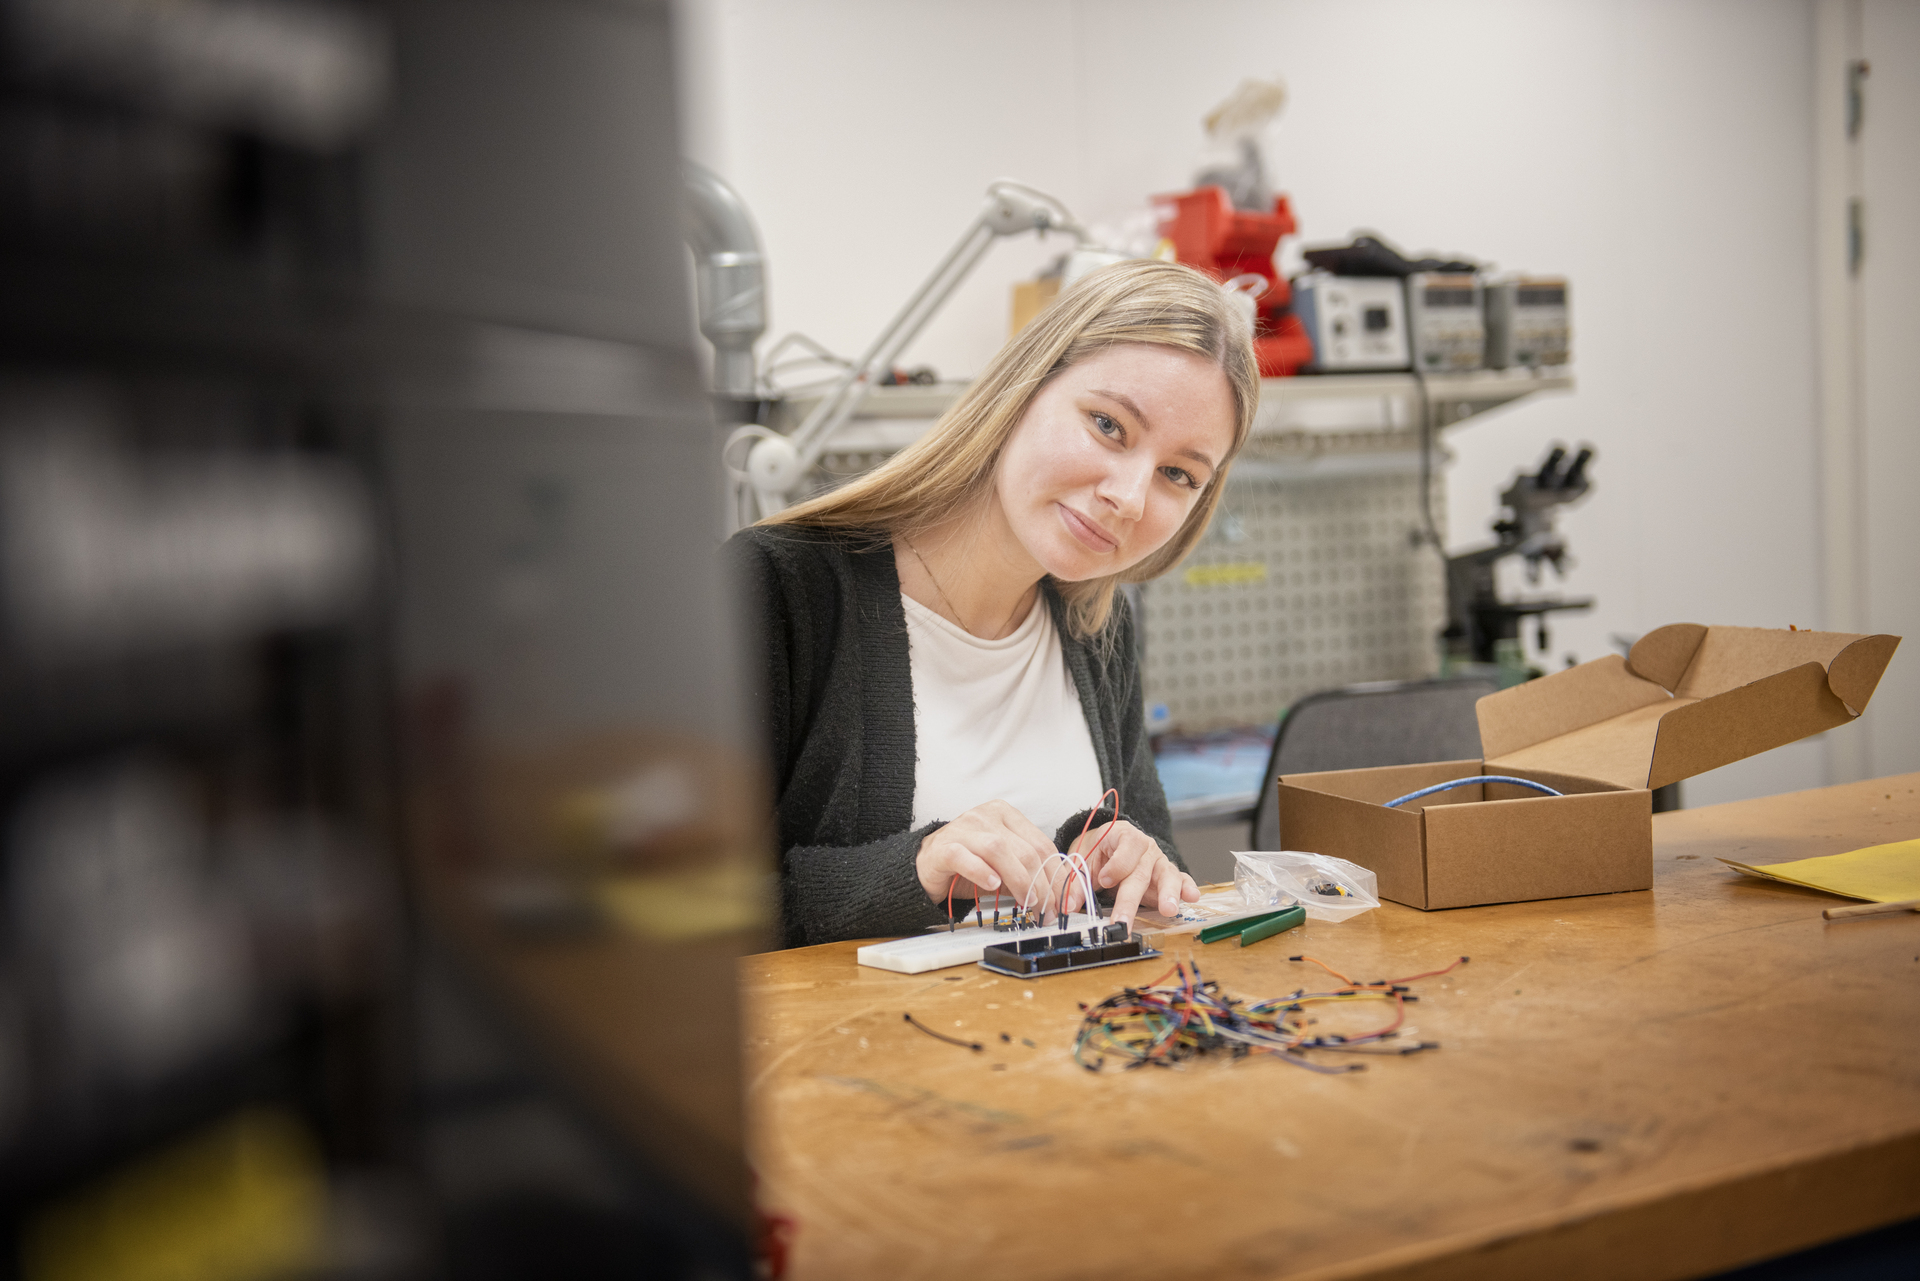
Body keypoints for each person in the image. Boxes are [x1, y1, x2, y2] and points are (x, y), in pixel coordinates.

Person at [727, 259, 1259, 948]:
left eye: (1178, 474)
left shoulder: (1099, 625)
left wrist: (1136, 867)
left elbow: (1156, 883)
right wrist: (914, 871)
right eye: (1108, 424)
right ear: (1023, 388)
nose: (1129, 497)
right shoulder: (781, 587)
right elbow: (666, 914)